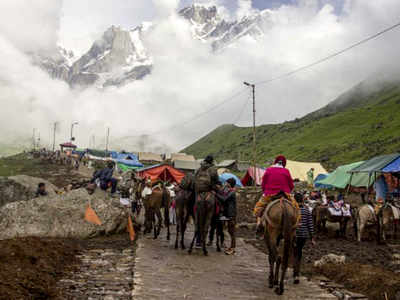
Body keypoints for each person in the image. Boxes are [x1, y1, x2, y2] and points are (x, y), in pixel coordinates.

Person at [254, 155, 295, 237]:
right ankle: (296, 225)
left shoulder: (269, 170)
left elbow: (263, 184)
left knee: (258, 208)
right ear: (284, 164)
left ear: (275, 162)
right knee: (296, 207)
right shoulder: (286, 171)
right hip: (285, 193)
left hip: (270, 193)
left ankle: (259, 225)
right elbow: (291, 185)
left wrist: (265, 191)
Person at [194, 155, 219, 247]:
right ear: (212, 161)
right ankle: (221, 214)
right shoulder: (213, 169)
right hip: (209, 191)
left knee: (198, 217)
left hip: (199, 193)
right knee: (220, 201)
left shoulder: (199, 168)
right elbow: (216, 180)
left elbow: (194, 179)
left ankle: (197, 241)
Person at [293, 193, 316, 284]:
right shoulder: (307, 211)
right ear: (302, 200)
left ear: (294, 200)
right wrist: (312, 238)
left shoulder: (292, 210)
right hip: (303, 235)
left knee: (293, 252)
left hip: (293, 235)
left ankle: (294, 271)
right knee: (299, 253)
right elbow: (310, 225)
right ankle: (296, 274)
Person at [215, 178, 237, 255]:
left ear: (230, 184)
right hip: (226, 214)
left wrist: (215, 194)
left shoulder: (232, 192)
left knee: (232, 232)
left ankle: (233, 248)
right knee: (223, 226)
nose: (225, 184)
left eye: (227, 183)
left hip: (231, 215)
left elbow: (224, 199)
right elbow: (222, 194)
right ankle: (228, 245)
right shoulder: (228, 191)